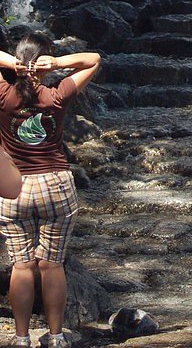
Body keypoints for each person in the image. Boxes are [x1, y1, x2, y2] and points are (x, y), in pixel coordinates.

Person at [0, 34, 101, 348]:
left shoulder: (3, 94)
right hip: (54, 184)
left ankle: (21, 338)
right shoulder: (56, 95)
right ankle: (56, 337)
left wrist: (13, 64)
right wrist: (56, 64)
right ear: (44, 62)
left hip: (14, 187)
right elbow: (94, 59)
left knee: (21, 266)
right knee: (51, 264)